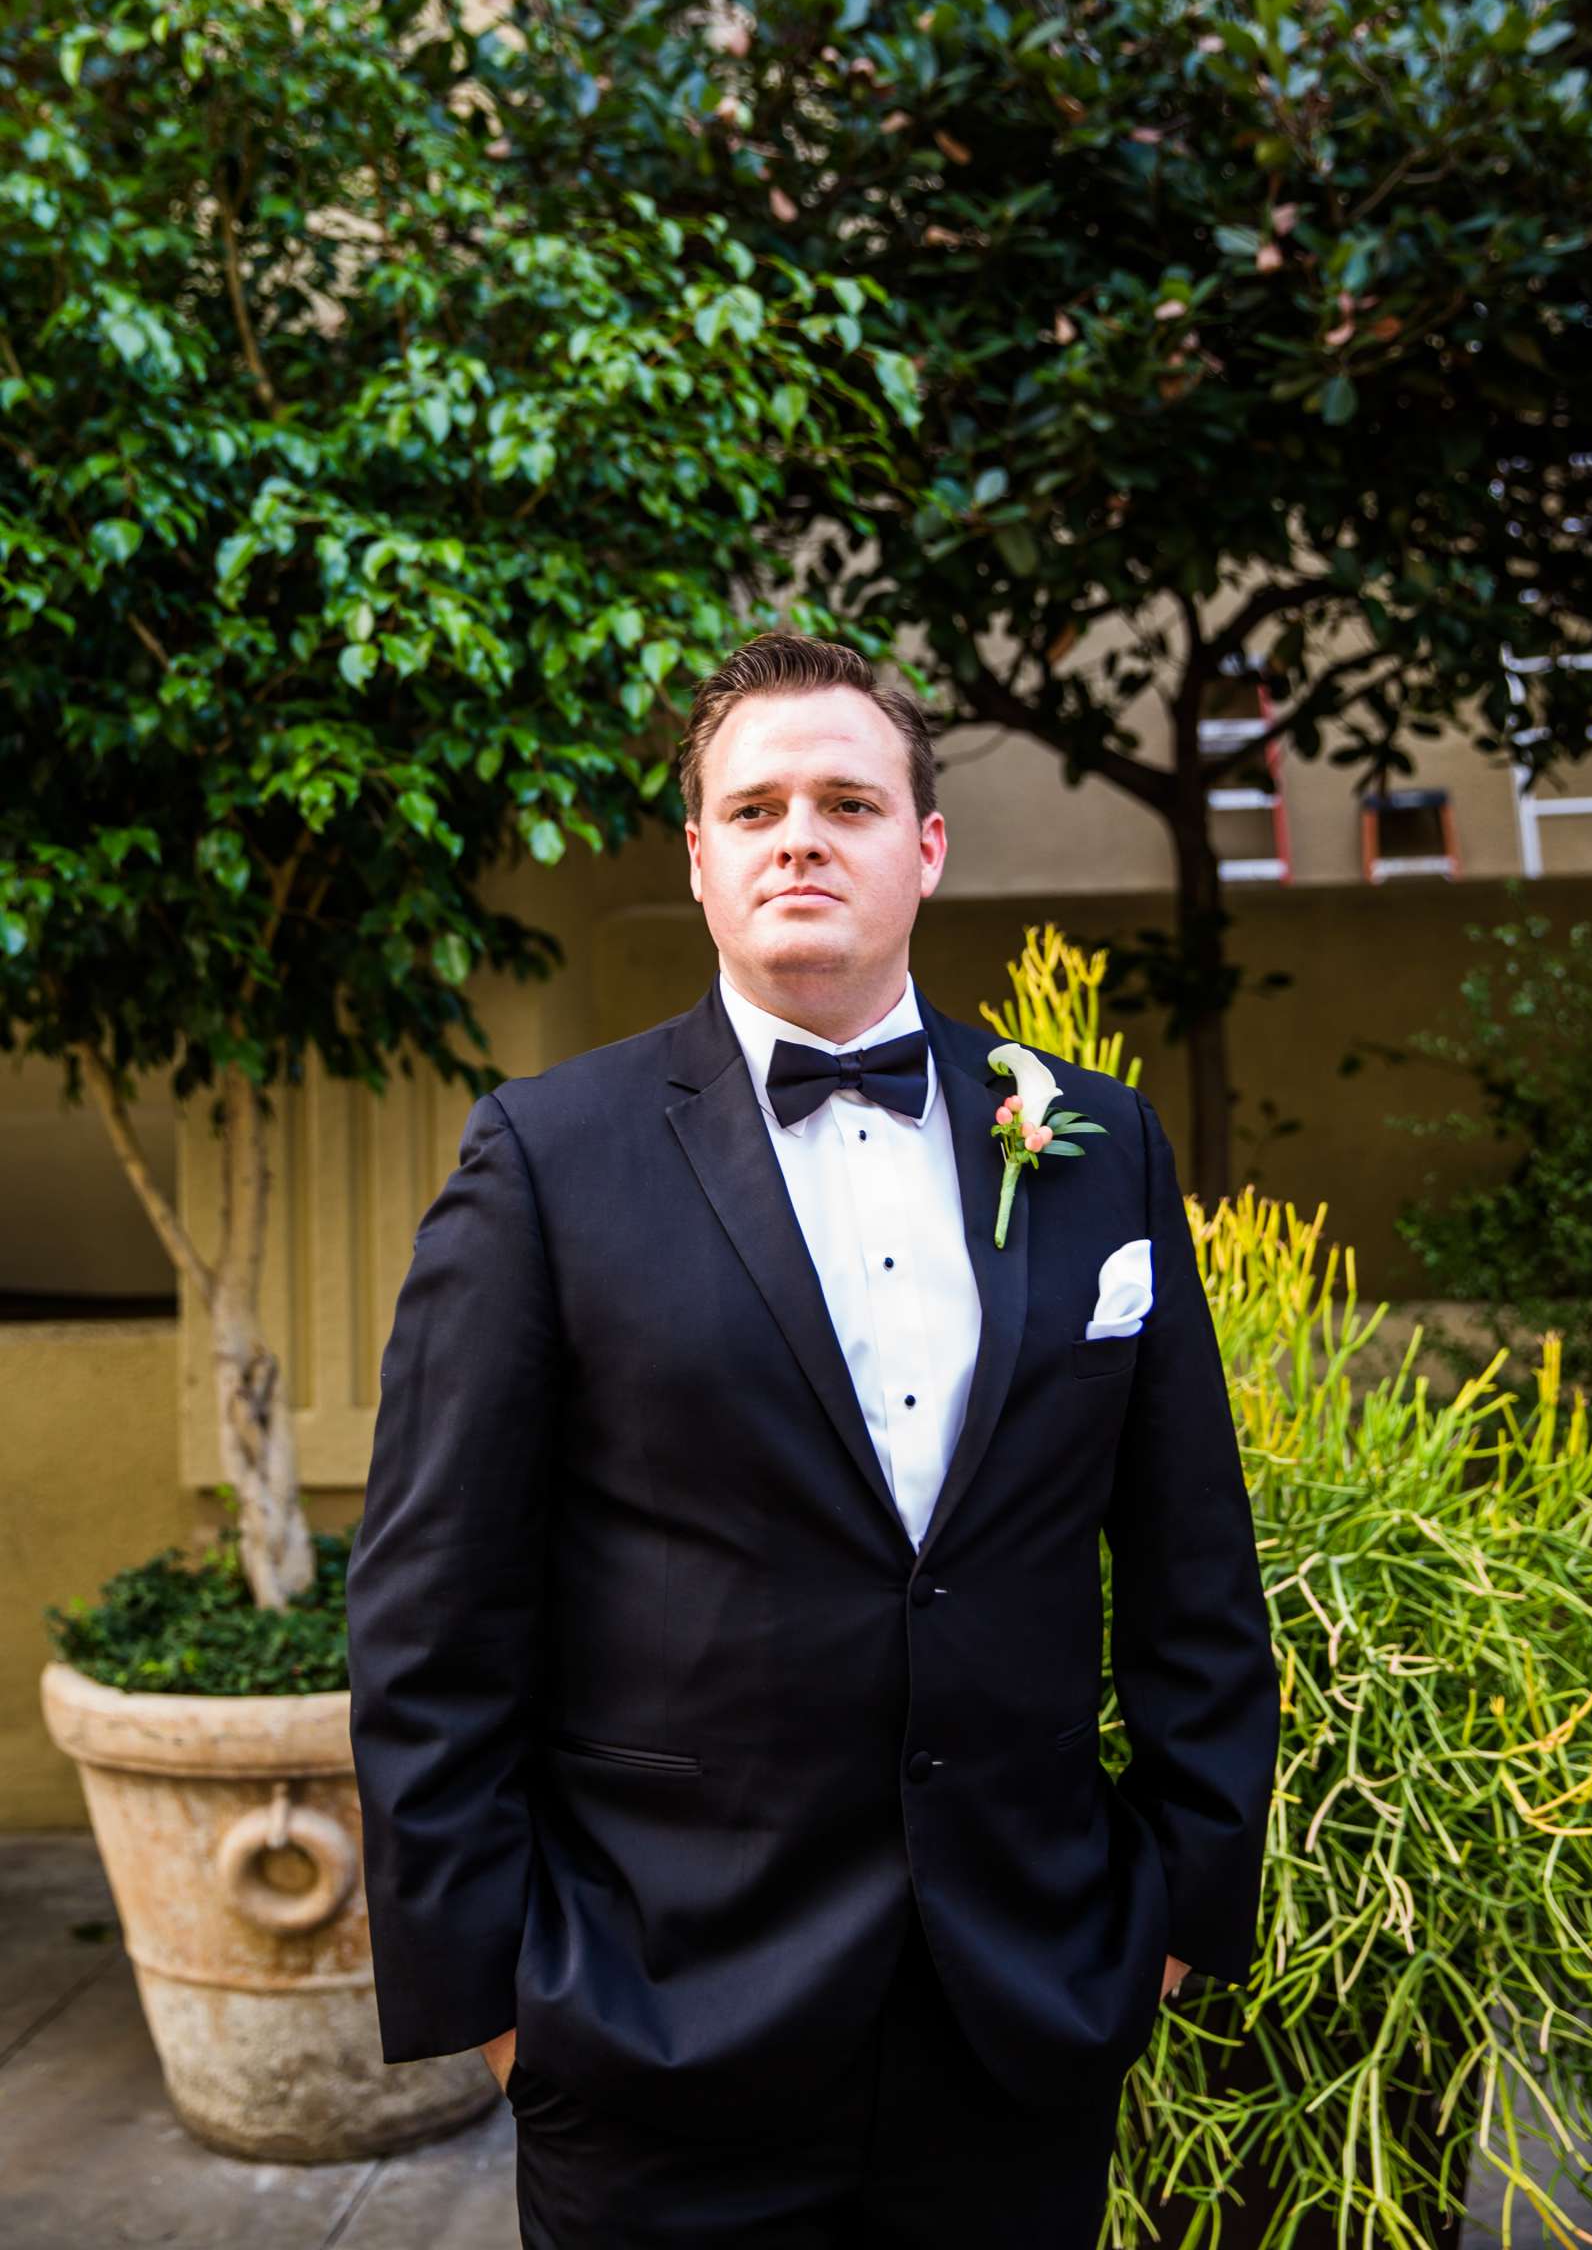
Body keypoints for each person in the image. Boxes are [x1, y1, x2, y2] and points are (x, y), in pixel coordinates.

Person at [343, 631, 1279, 2247]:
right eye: (755, 804)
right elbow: (431, 1616)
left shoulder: (1096, 1143)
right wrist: (498, 2002)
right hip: (657, 2025)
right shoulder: (542, 1163)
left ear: (923, 850)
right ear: (699, 857)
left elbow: (1191, 1546)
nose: (800, 835)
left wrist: (1180, 1900)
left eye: (848, 800)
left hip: (1021, 2013)